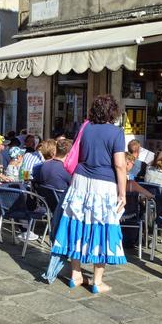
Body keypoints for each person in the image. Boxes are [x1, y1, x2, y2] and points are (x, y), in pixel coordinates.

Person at [51, 94, 127, 294]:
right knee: (102, 228)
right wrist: (123, 192)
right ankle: (97, 281)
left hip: (80, 181)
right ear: (113, 112)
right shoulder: (117, 132)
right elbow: (119, 164)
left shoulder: (85, 128)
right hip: (104, 185)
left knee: (77, 223)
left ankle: (76, 274)